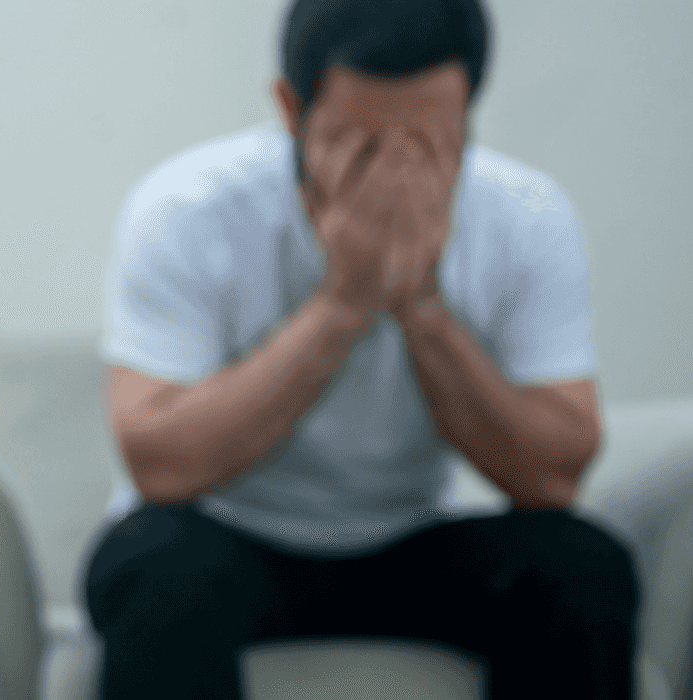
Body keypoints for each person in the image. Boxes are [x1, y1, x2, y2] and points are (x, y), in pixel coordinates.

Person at [86, 0, 640, 698]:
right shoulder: (188, 210)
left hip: (408, 539)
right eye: (361, 144)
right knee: (152, 563)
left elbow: (551, 478)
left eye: (430, 141)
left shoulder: (525, 217)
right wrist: (342, 304)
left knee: (581, 566)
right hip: (227, 540)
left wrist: (422, 307)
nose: (397, 173)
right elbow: (160, 466)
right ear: (290, 108)